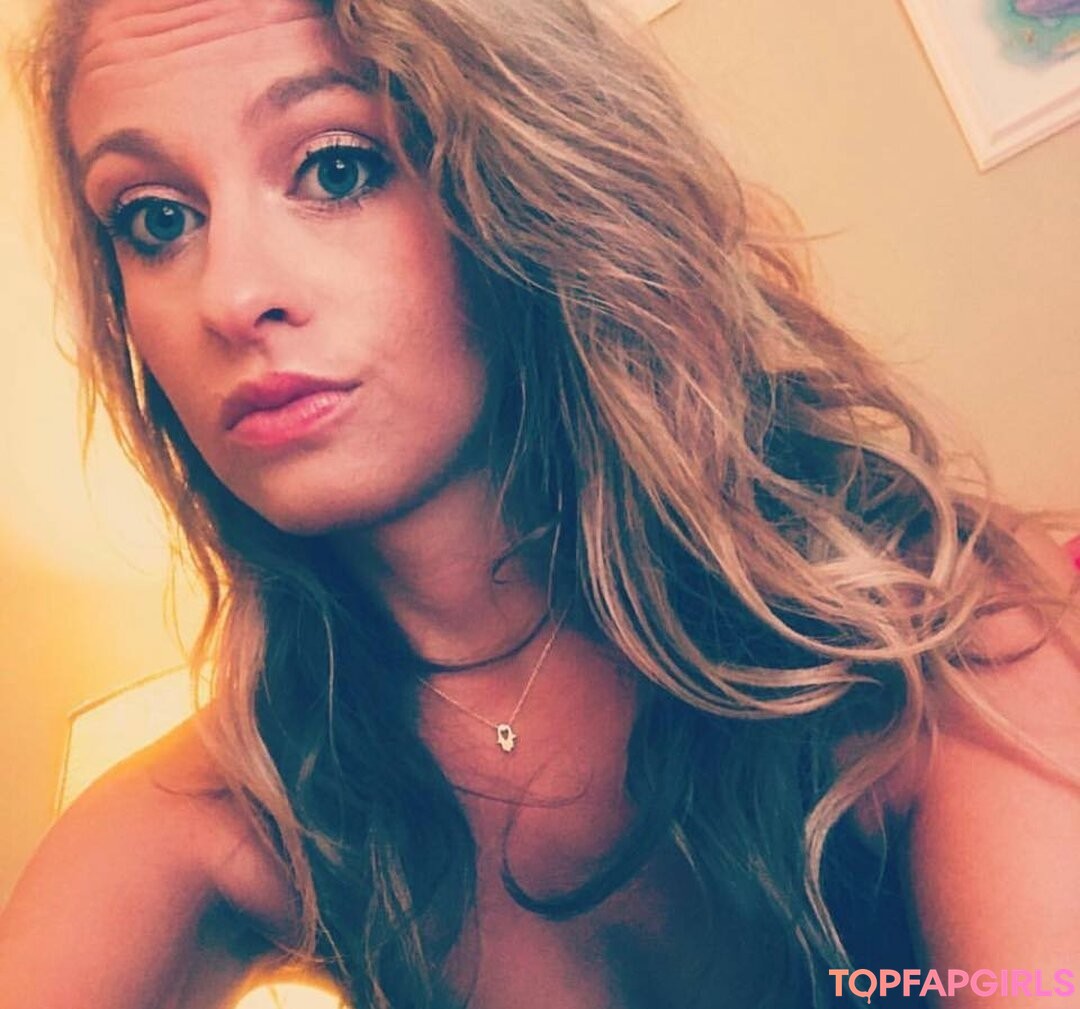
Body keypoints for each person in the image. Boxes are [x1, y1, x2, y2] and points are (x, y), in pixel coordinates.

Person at [1, 0, 1078, 1006]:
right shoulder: (215, 817)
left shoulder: (924, 632)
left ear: (530, 175)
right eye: (155, 220)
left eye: (337, 167)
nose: (232, 297)